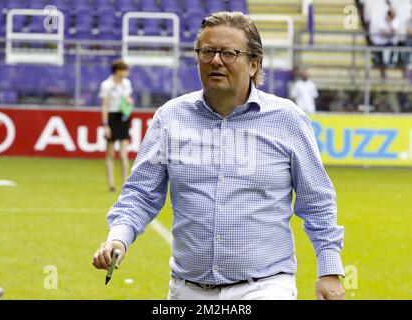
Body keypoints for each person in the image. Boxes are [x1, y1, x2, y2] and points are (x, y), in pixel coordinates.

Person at [92, 12, 345, 300]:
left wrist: (329, 270)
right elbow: (140, 193)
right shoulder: (169, 118)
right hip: (188, 289)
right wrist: (118, 238)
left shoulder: (288, 120)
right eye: (207, 51)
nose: (215, 60)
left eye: (228, 53)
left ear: (254, 64)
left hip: (265, 286)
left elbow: (317, 200)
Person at [99, 59, 134, 192]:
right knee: (110, 152)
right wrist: (106, 124)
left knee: (123, 153)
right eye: (125, 70)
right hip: (112, 117)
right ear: (118, 71)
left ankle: (125, 183)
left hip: (124, 116)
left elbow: (129, 99)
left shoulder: (127, 84)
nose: (127, 73)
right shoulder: (106, 85)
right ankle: (111, 184)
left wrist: (129, 101)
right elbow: (104, 105)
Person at [372, 8, 400, 79]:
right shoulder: (382, 19)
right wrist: (389, 32)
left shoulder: (395, 20)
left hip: (388, 42)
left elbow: (394, 30)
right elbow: (382, 30)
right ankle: (382, 74)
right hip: (379, 42)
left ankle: (390, 63)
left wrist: (388, 30)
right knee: (380, 60)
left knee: (394, 47)